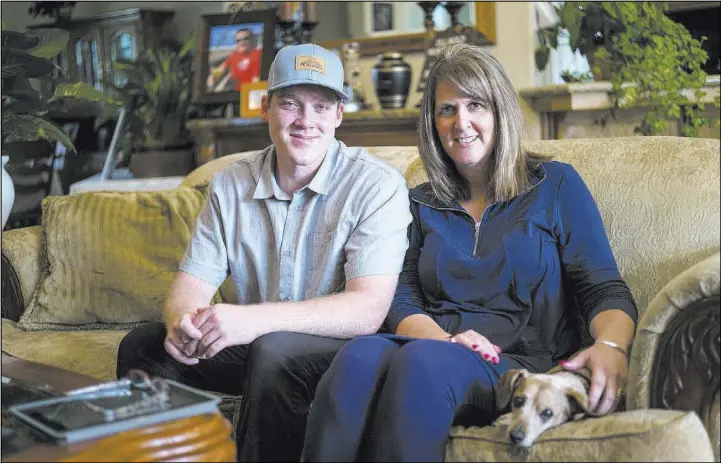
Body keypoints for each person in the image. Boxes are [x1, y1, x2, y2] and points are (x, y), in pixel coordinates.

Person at [301, 43, 638, 462]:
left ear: (500, 112)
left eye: (475, 105)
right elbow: (400, 297)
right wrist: (446, 340)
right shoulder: (418, 204)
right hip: (437, 343)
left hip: (519, 364)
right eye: (447, 110)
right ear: (432, 122)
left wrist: (612, 345)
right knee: (357, 356)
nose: (461, 123)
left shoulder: (555, 185)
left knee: (422, 364)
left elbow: (602, 286)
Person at [116, 43, 412, 461]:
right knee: (144, 346)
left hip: (343, 353)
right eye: (290, 104)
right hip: (258, 346)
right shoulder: (230, 184)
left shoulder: (375, 185)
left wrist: (249, 322)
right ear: (265, 108)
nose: (306, 121)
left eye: (321, 106)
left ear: (339, 115)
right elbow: (189, 287)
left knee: (273, 351)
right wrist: (183, 322)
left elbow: (367, 311)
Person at [207, 27, 262, 92]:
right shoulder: (234, 55)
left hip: (249, 93)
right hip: (233, 92)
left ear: (252, 39)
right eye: (238, 40)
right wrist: (213, 76)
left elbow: (256, 80)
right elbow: (221, 69)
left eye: (246, 39)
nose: (242, 42)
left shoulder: (258, 54)